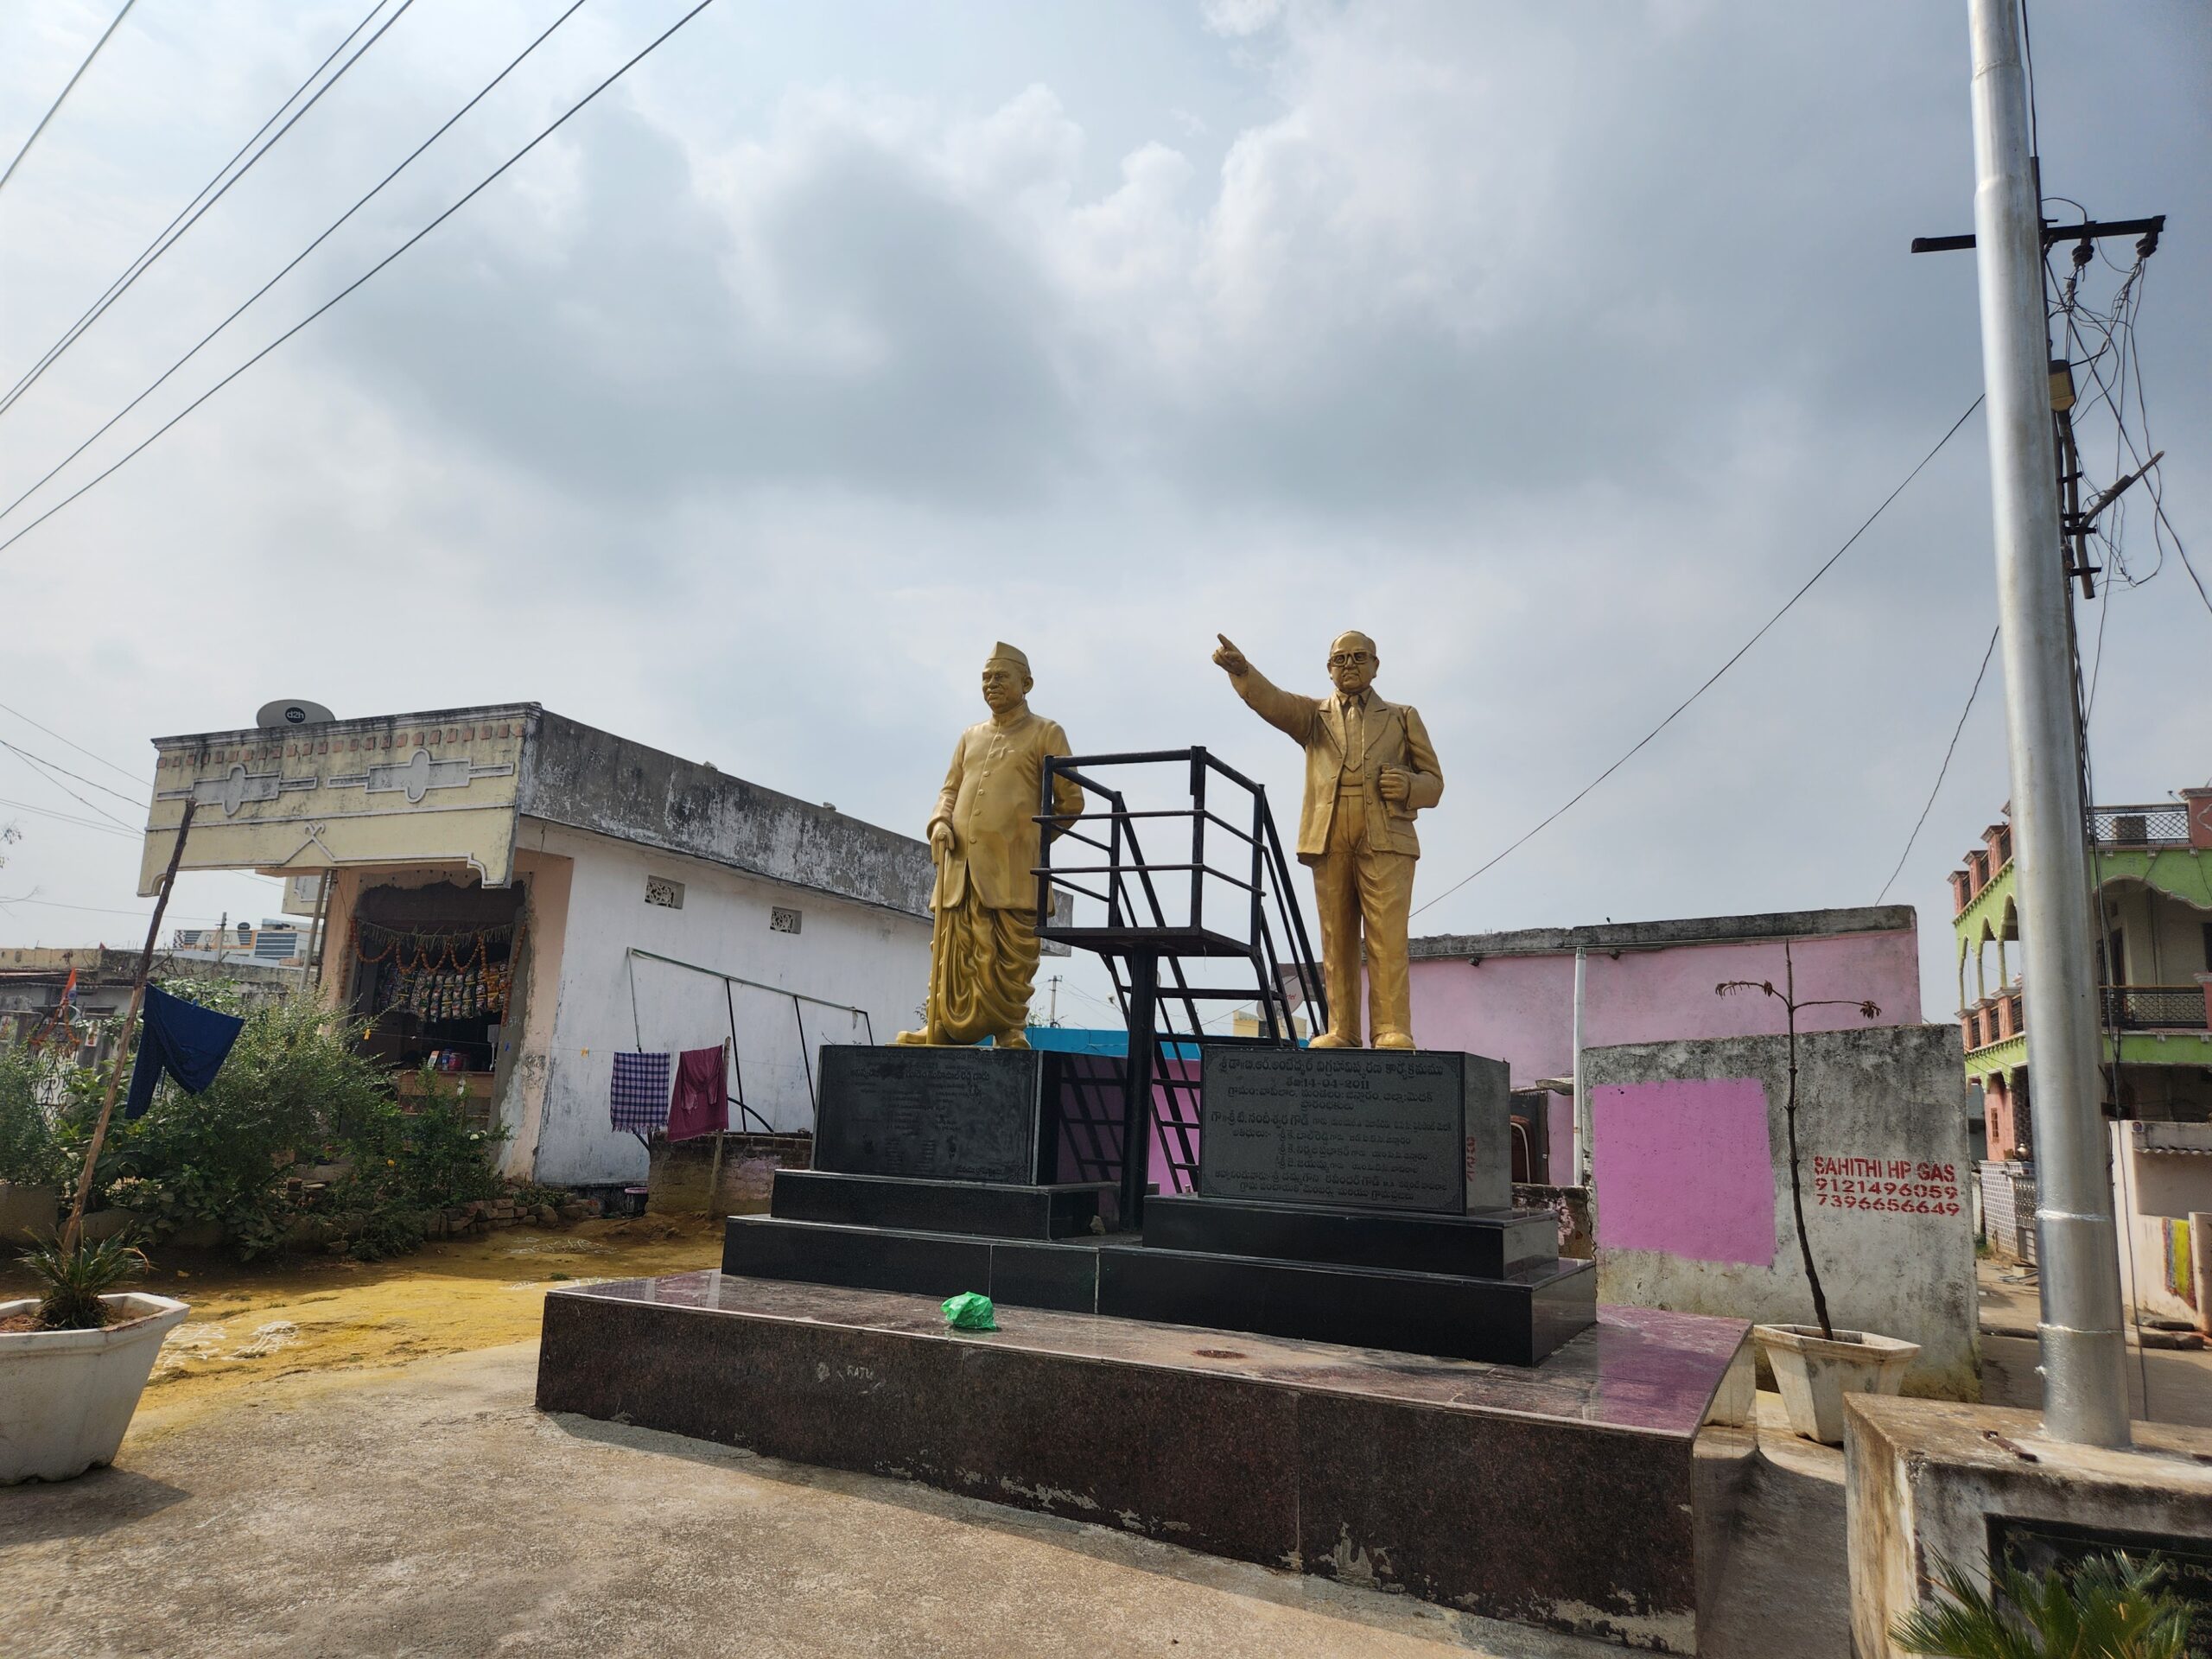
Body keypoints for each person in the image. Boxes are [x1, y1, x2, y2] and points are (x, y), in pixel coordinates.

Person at [1211, 628, 1443, 1050]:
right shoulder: (1313, 716)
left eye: (1359, 657)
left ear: (1376, 665)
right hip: (1330, 834)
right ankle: (1342, 1029)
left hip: (1386, 834)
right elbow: (1273, 702)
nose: (1349, 665)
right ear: (1329, 669)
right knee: (1336, 938)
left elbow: (1434, 783)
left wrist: (1409, 786)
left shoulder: (1402, 716)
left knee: (1387, 937)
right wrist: (1243, 672)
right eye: (1340, 659)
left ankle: (1391, 1028)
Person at [895, 643, 1084, 1048]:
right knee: (952, 953)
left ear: (1026, 683)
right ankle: (941, 1024)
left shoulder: (1046, 732)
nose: (991, 684)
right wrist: (940, 822)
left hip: (1014, 872)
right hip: (960, 866)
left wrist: (1028, 843)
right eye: (985, 678)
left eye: (1000, 677)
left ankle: (1009, 1028)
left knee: (1011, 955)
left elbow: (1071, 803)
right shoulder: (970, 736)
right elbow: (949, 790)